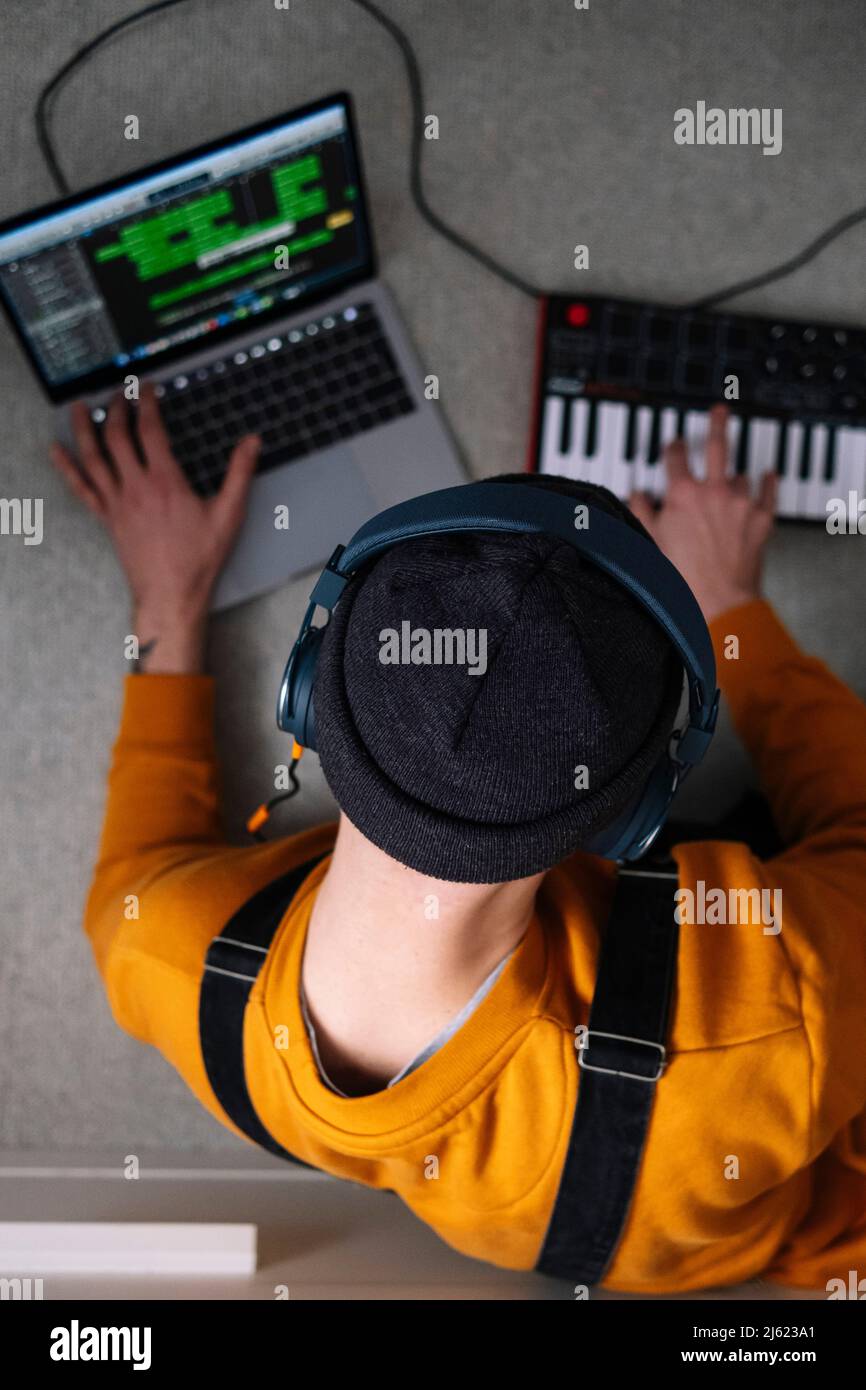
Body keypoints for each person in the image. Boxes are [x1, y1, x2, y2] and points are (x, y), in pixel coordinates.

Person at [53, 389, 866, 1293]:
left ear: (308, 690)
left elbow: (132, 869)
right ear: (632, 815)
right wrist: (731, 607)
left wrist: (167, 595)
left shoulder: (165, 953)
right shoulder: (771, 1008)